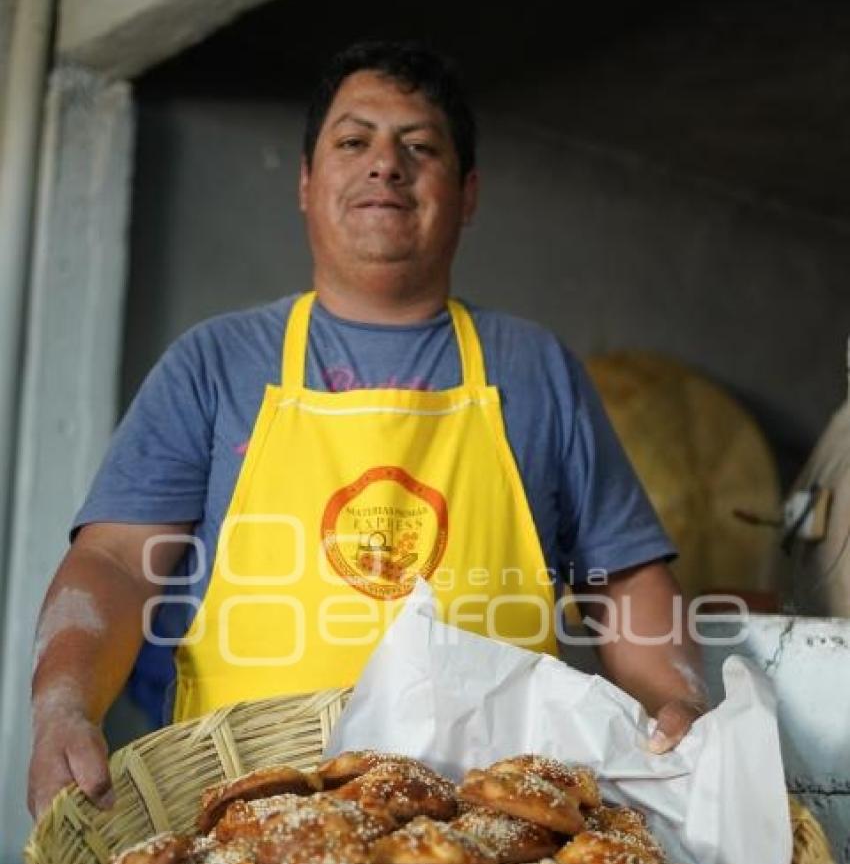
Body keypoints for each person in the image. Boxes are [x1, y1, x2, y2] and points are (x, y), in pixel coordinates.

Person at [27, 40, 708, 819]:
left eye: (420, 146)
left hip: (496, 830)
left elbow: (625, 581)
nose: (386, 163)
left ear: (468, 192)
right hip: (246, 822)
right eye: (354, 142)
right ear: (308, 184)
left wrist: (672, 698)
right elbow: (115, 559)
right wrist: (63, 702)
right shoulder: (216, 363)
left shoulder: (536, 369)